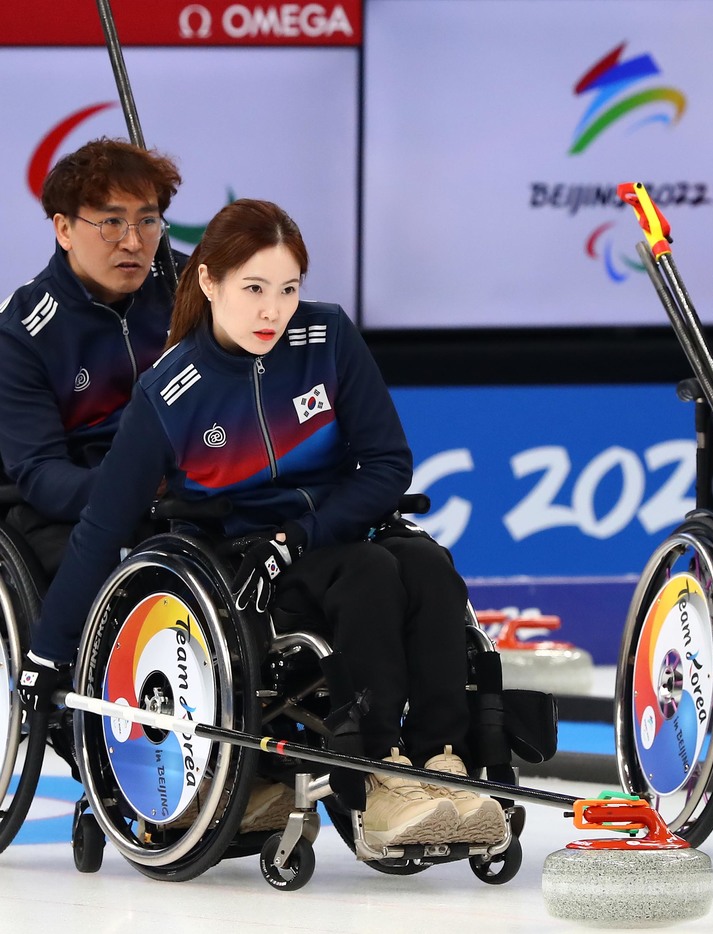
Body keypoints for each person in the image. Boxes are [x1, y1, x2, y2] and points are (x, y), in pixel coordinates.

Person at [18, 198, 505, 848]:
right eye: (253, 289)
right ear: (209, 281)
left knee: (429, 567)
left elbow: (387, 465)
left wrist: (303, 531)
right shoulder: (169, 391)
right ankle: (381, 776)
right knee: (371, 573)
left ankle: (443, 761)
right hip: (239, 568)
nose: (273, 310)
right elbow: (102, 528)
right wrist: (45, 655)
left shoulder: (327, 338)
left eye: (288, 289)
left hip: (324, 535)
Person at [0, 137, 183, 577]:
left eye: (148, 221)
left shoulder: (189, 284)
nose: (134, 243)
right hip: (71, 506)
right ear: (64, 229)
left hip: (186, 486)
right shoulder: (21, 332)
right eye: (112, 223)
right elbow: (43, 475)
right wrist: (131, 484)